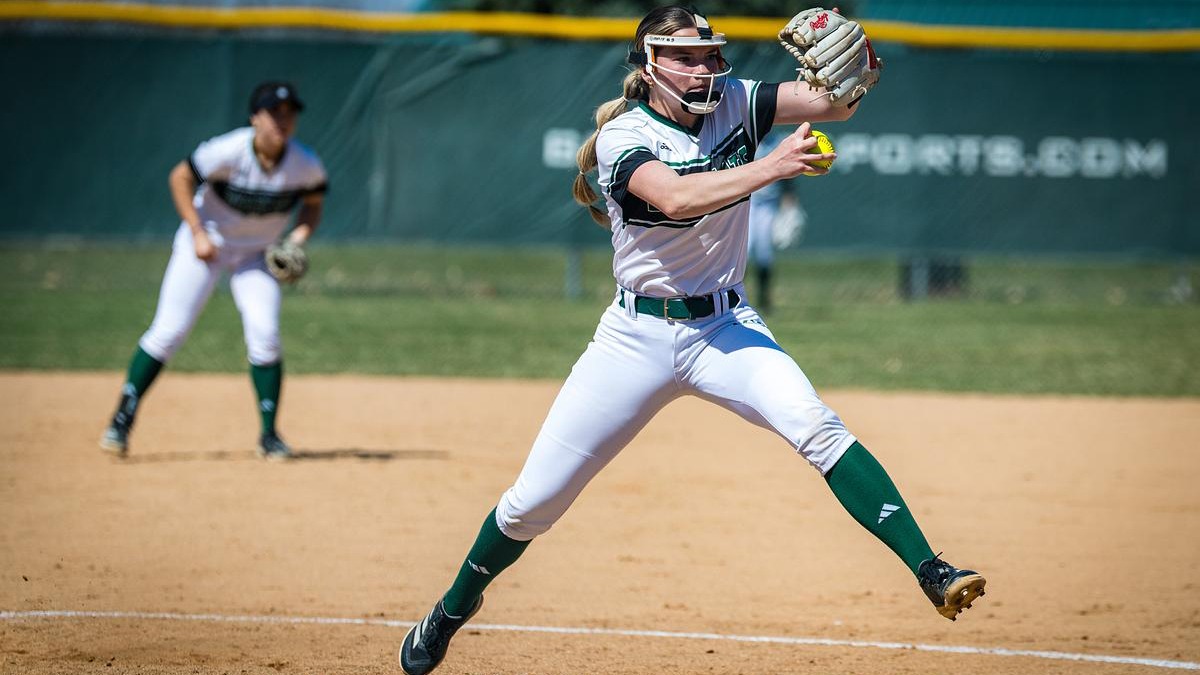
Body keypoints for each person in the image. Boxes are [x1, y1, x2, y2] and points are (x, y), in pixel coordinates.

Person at [398, 8, 985, 674]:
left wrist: (861, 62)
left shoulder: (738, 99)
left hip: (723, 326)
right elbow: (676, 198)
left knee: (816, 425)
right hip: (635, 338)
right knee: (533, 502)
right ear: (649, 65)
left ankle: (932, 568)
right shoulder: (625, 137)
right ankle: (450, 607)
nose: (705, 67)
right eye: (687, 56)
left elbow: (834, 102)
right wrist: (776, 165)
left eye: (710, 54)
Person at [99, 81, 327, 461]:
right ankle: (122, 419)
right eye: (274, 113)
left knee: (265, 334)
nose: (282, 122)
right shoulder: (228, 151)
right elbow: (180, 177)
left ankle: (269, 436)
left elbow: (313, 203)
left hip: (256, 255)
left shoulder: (305, 163)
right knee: (169, 331)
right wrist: (197, 231)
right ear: (255, 118)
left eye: (290, 115)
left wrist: (297, 239)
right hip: (205, 247)